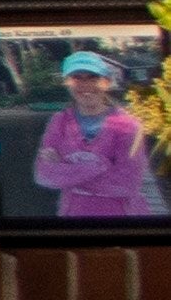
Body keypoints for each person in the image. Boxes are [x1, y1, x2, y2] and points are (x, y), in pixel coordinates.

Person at [30, 50, 162, 219]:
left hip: (124, 221)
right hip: (72, 220)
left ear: (106, 82)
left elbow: (127, 184)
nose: (85, 85)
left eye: (93, 77)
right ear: (67, 83)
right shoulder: (59, 122)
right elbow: (44, 175)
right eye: (77, 78)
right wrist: (100, 167)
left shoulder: (129, 125)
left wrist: (65, 169)